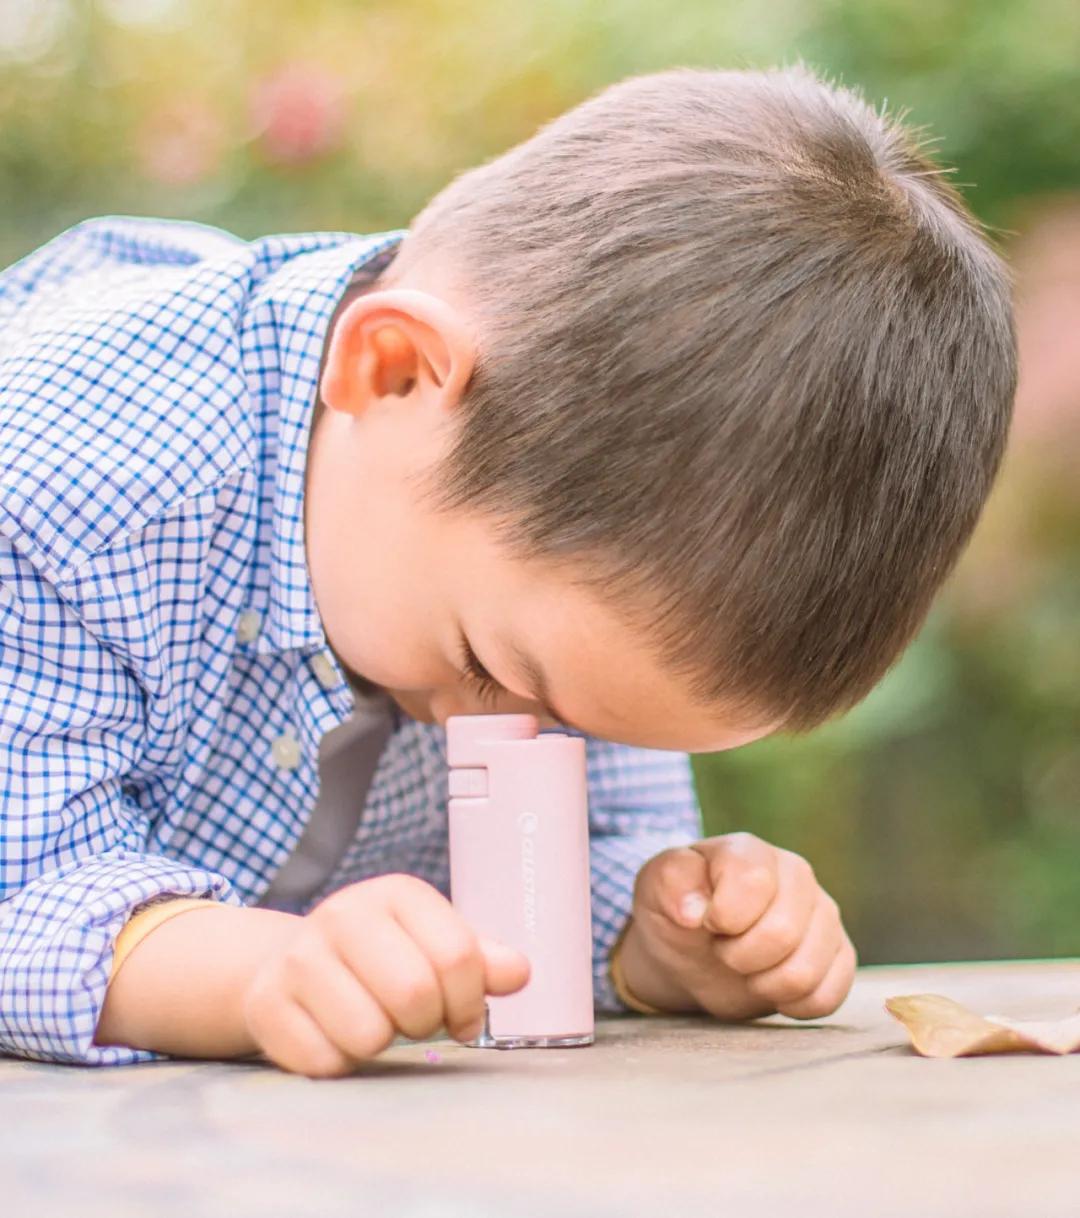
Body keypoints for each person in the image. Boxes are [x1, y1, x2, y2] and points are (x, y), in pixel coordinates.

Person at [0, 65, 1015, 1076]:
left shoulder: (561, 578)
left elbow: (564, 865)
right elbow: (21, 899)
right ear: (393, 370)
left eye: (584, 727)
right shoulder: (69, 481)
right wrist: (259, 972)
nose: (504, 734)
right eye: (489, 666)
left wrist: (650, 931)